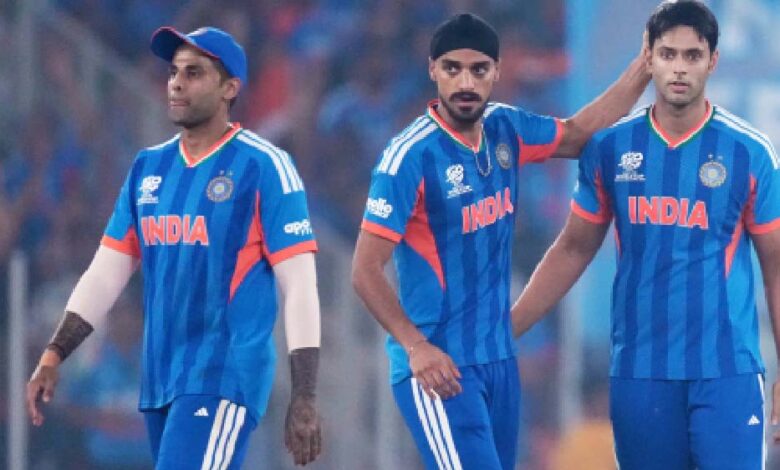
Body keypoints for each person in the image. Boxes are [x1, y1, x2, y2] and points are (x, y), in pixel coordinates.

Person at [351, 12, 650, 470]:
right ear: (433, 70)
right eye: (452, 68)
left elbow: (576, 134)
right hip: (440, 366)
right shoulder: (408, 157)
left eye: (478, 69)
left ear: (497, 71)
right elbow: (364, 270)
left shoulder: (505, 128)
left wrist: (643, 67)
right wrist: (415, 347)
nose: (465, 82)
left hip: (499, 361)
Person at [26, 26, 323, 469]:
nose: (177, 83)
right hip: (160, 379)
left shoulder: (264, 166)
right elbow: (105, 274)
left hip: (225, 375)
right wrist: (55, 352)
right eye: (173, 72)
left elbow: (299, 285)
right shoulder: (148, 167)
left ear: (229, 88)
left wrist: (305, 395)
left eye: (194, 73)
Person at [511, 1, 780, 468]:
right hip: (641, 372)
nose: (679, 68)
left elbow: (776, 266)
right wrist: (506, 330)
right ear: (648, 58)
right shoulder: (611, 148)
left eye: (692, 56)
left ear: (713, 61)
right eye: (668, 54)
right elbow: (573, 248)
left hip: (727, 373)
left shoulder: (749, 152)